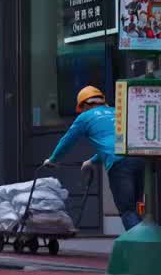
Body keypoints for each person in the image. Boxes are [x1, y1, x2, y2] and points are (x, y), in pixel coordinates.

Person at [45, 85, 146, 231]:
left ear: (84, 105)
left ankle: (141, 250)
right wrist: (92, 161)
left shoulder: (85, 117)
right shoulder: (116, 112)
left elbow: (67, 141)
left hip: (119, 165)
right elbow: (114, 143)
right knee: (137, 207)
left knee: (127, 210)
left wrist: (53, 159)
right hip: (138, 158)